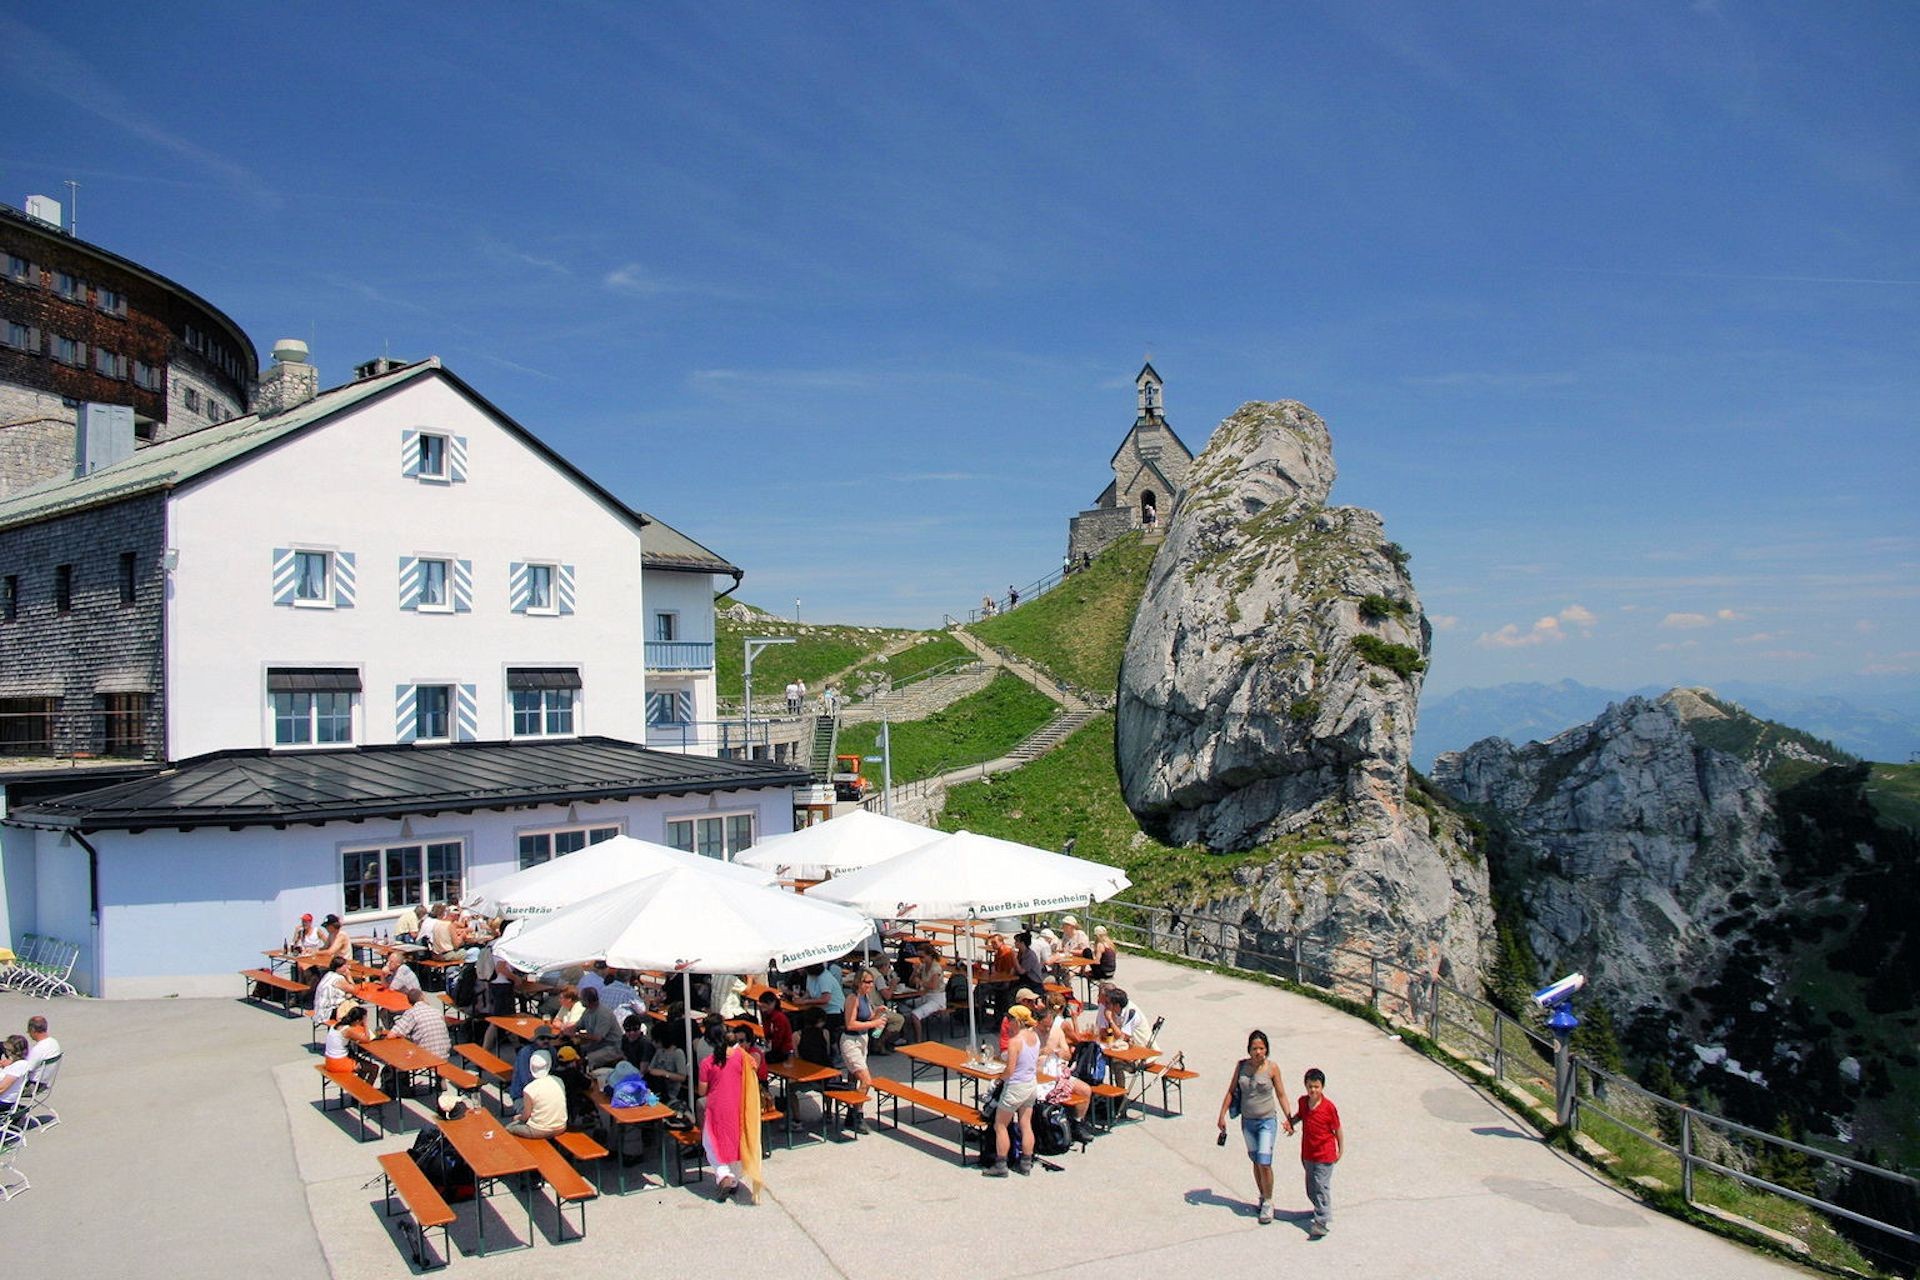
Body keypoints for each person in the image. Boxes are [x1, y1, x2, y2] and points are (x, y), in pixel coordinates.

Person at [1217, 1030, 1289, 1224]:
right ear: (1249, 1050)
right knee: (1256, 1160)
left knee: (1265, 1161)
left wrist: (1289, 1117)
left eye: (1262, 1048)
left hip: (1267, 1120)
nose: (1258, 1052)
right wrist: (1222, 1115)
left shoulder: (1272, 1068)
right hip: (1248, 1122)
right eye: (1255, 1048)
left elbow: (1281, 1094)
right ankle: (1262, 1194)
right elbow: (1231, 1091)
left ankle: (1268, 1200)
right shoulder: (1241, 1067)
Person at [697, 1016, 767, 1203]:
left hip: (716, 1107)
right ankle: (734, 1180)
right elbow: (755, 1067)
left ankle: (724, 1175)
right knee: (736, 1143)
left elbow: (702, 1090)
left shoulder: (707, 1063)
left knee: (711, 1143)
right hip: (738, 1106)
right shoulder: (742, 1057)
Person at [982, 1004, 1040, 1177]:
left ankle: (1001, 1164)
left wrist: (999, 1078)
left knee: (1000, 1125)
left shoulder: (1015, 1042)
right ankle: (1026, 1163)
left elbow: (1010, 1070)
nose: (1007, 1021)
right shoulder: (1035, 1037)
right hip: (1030, 1084)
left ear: (1016, 1021)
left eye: (1009, 1019)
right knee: (1025, 1124)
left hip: (1015, 1086)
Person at [1288, 1068, 1344, 1237]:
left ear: (1322, 1087)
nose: (1313, 1090)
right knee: (1311, 1188)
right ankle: (1319, 1208)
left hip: (1325, 1154)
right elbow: (1301, 1115)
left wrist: (1341, 1149)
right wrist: (1291, 1122)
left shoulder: (1329, 1108)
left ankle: (1322, 1221)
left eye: (1316, 1087)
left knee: (1321, 1186)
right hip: (1308, 1154)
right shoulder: (1303, 1102)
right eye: (1310, 1086)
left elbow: (1337, 1129)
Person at [1036, 1000, 1095, 1146]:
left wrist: (1058, 1052)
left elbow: (1068, 1055)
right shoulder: (1031, 1034)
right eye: (1045, 1026)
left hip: (1057, 1070)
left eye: (1050, 1026)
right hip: (1040, 1074)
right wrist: (1041, 1052)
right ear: (1038, 1023)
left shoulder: (1056, 1032)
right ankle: (1044, 1126)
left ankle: (1077, 1124)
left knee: (1085, 1090)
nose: (1048, 1029)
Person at [839, 971, 891, 1134]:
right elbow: (850, 1024)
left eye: (871, 982)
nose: (870, 985)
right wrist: (874, 1023)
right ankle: (857, 1114)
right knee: (866, 1081)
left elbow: (865, 1019)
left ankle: (850, 1115)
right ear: (858, 982)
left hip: (862, 1040)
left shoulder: (865, 997)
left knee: (854, 1078)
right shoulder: (853, 998)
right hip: (851, 1042)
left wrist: (876, 1014)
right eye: (866, 982)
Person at [508, 1050, 568, 1139]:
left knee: (509, 1128)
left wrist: (517, 1118)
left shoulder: (529, 1089)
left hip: (539, 1131)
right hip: (561, 1127)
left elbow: (526, 1116)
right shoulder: (559, 1080)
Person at [388, 987, 452, 1060]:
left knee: (403, 1050)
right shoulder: (436, 1011)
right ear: (423, 997)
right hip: (444, 1056)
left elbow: (391, 1035)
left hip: (425, 1059)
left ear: (409, 1002)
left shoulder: (412, 1013)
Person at [566, 986, 622, 1068]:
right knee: (573, 1048)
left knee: (586, 1059)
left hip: (611, 1047)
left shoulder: (603, 1014)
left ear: (588, 1000)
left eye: (581, 999)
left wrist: (576, 1035)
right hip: (596, 1045)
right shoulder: (588, 1010)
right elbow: (579, 1025)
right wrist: (568, 1030)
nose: (580, 1000)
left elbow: (597, 1037)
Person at [509, 1026, 559, 1104]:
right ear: (535, 1040)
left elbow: (553, 1072)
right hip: (522, 1095)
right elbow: (526, 1080)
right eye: (542, 1038)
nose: (546, 1041)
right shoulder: (526, 1053)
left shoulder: (552, 1050)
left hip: (544, 1093)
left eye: (549, 1038)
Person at [646, 1023, 690, 1105]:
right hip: (657, 1091)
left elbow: (682, 1077)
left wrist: (664, 1074)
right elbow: (651, 1069)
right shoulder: (659, 1051)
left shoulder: (678, 1053)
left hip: (672, 1094)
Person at [323, 1005, 372, 1077]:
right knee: (374, 1068)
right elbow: (367, 1039)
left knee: (360, 1063)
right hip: (338, 1063)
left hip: (329, 1061)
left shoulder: (335, 1025)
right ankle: (363, 1088)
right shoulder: (347, 1030)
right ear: (358, 1021)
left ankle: (359, 1086)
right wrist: (365, 1024)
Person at [756, 991, 794, 1064]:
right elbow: (766, 1031)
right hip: (773, 1047)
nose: (763, 1008)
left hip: (783, 1051)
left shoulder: (779, 1017)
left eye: (766, 1004)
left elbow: (778, 1038)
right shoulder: (766, 1014)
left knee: (759, 1059)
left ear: (773, 1003)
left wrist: (768, 1050)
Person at [311, 956, 352, 1023]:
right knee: (355, 1009)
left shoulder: (328, 974)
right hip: (327, 1012)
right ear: (339, 968)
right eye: (345, 966)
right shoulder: (338, 979)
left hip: (319, 1009)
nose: (347, 967)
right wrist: (349, 976)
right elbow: (353, 990)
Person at [0, 1035, 31, 1112]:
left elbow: (1, 1089)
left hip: (3, 1102)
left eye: (8, 1050)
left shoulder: (18, 1066)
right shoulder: (19, 1063)